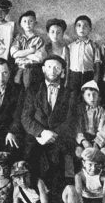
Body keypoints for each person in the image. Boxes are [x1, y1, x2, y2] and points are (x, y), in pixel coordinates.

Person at [21, 55, 75, 196]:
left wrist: (52, 134)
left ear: (62, 71)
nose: (52, 70)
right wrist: (41, 133)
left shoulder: (69, 93)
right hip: (36, 138)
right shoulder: (32, 90)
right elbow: (26, 117)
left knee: (57, 169)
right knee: (31, 160)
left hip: (58, 137)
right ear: (44, 69)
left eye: (57, 67)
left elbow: (70, 120)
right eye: (49, 67)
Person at [74, 80, 105, 172]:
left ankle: (100, 177)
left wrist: (96, 144)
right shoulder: (79, 110)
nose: (92, 98)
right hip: (83, 141)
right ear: (83, 96)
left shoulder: (102, 112)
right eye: (88, 95)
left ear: (98, 96)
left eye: (94, 94)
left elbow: (103, 131)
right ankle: (82, 177)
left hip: (98, 141)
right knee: (79, 153)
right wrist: (83, 141)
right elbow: (77, 128)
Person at [68, 15, 101, 107]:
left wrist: (95, 81)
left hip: (88, 76)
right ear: (75, 28)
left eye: (85, 26)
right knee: (73, 101)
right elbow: (67, 64)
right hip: (73, 77)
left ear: (90, 29)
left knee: (87, 101)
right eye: (79, 25)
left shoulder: (94, 46)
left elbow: (97, 65)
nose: (82, 28)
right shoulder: (70, 46)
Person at [10, 10, 46, 89]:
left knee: (30, 92)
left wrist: (22, 54)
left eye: (31, 21)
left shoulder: (39, 40)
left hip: (32, 70)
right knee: (18, 92)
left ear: (35, 23)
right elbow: (14, 54)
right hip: (18, 70)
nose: (27, 24)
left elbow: (39, 58)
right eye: (25, 21)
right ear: (21, 24)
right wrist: (31, 51)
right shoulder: (18, 38)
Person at [45, 18, 70, 87]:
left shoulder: (65, 49)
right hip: (46, 80)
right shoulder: (46, 48)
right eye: (52, 32)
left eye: (58, 32)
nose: (55, 35)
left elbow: (68, 68)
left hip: (61, 80)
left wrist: (66, 82)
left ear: (62, 34)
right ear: (48, 34)